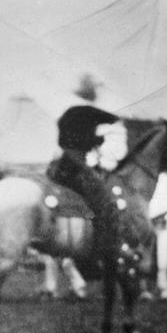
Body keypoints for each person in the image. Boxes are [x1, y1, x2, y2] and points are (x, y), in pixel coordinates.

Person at [47, 102, 123, 250]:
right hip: (74, 162)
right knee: (104, 199)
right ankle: (105, 246)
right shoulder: (81, 121)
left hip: (65, 160)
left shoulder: (69, 117)